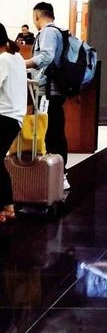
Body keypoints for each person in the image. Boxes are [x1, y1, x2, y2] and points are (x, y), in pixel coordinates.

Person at [25, 1, 68, 189]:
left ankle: (59, 176)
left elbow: (46, 56)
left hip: (49, 91)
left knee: (51, 133)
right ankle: (58, 174)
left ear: (37, 16)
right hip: (54, 90)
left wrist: (22, 64)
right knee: (54, 131)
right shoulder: (58, 31)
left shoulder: (48, 32)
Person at [0, 23, 29, 222]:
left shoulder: (3, 59)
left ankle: (7, 206)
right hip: (15, 117)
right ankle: (7, 207)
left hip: (4, 116)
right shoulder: (17, 57)